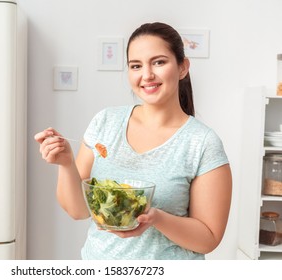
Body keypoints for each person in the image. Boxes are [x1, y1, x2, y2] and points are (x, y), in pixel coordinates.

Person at [34, 22, 232, 260]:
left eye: (159, 62)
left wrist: (156, 218)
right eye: (136, 66)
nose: (146, 75)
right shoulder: (105, 122)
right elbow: (77, 211)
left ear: (182, 68)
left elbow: (208, 238)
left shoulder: (202, 142)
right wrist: (65, 163)